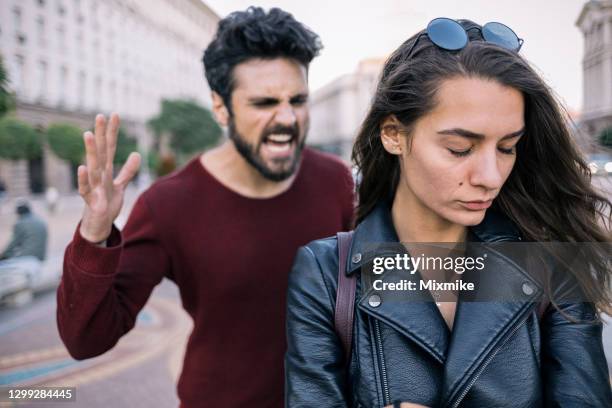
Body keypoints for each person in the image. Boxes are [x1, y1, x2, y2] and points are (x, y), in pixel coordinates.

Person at [285, 18, 612, 407]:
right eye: (460, 148)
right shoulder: (325, 275)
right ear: (393, 134)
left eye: (507, 147)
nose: (490, 176)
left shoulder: (552, 266)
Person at [56, 7, 354, 408]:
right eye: (264, 102)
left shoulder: (337, 181)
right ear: (220, 106)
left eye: (297, 100)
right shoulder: (167, 204)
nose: (287, 118)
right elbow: (85, 340)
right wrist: (94, 233)